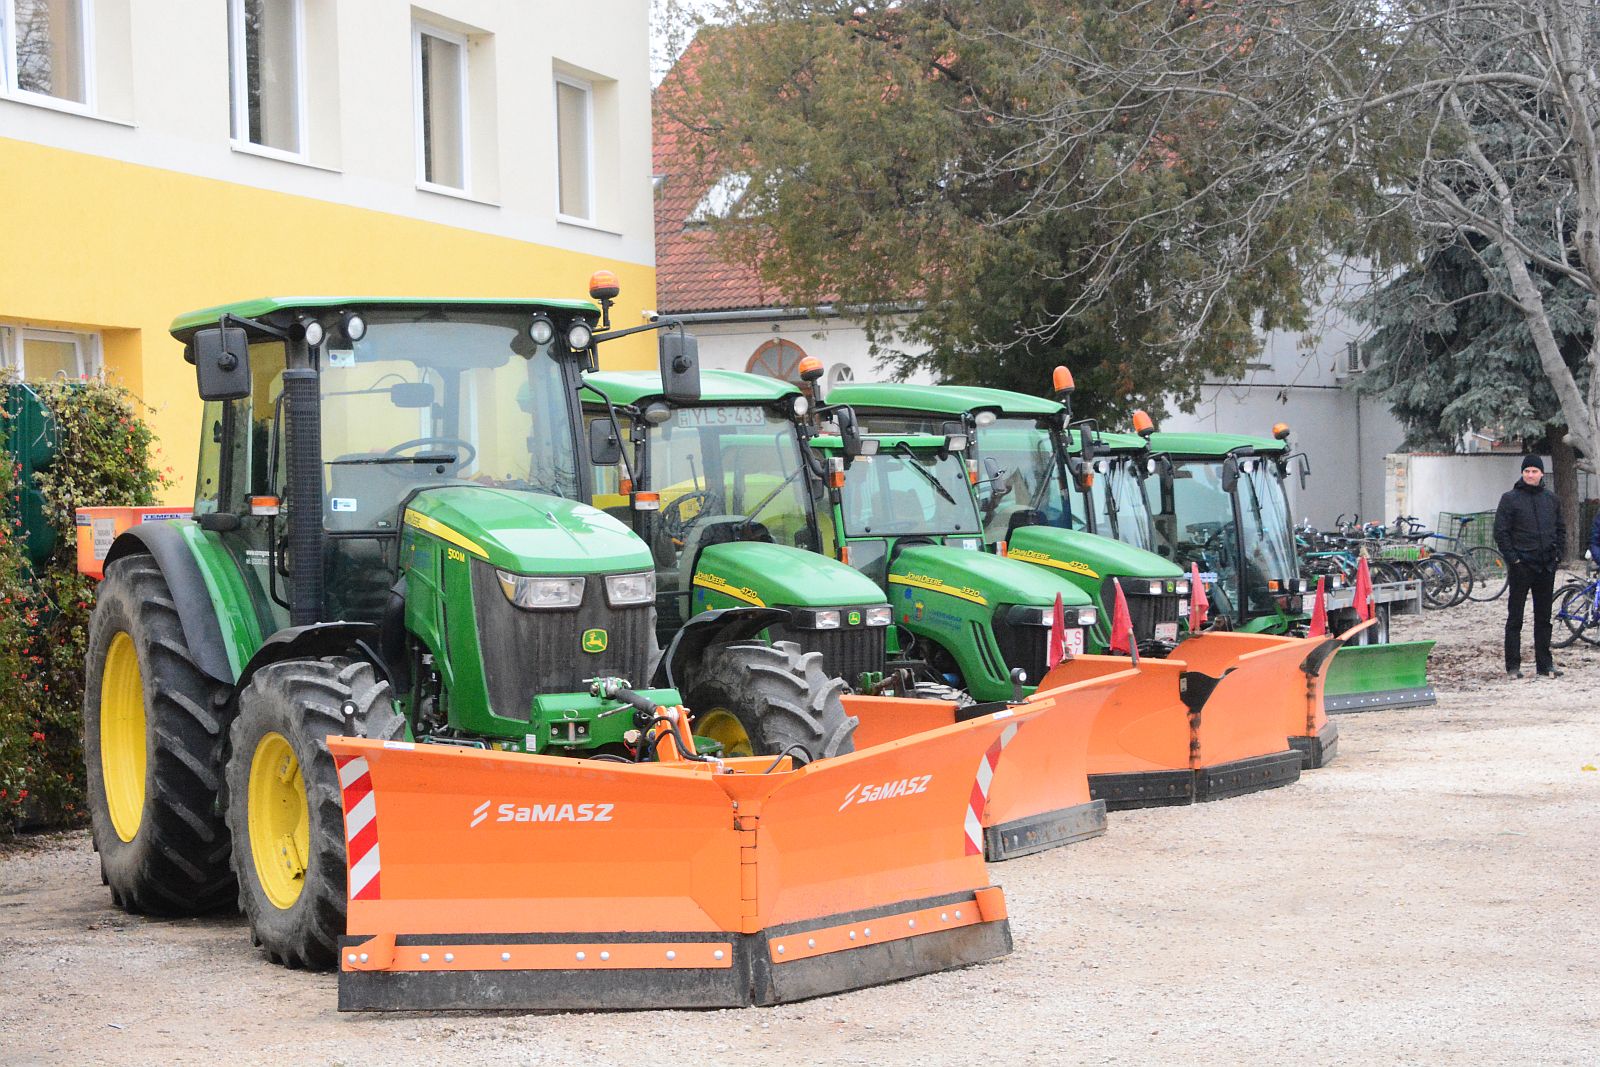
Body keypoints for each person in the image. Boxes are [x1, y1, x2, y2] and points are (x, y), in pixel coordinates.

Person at [1493, 454, 1565, 678]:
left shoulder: (1551, 499)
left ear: (1541, 473)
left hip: (1546, 566)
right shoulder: (1510, 499)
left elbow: (1561, 530)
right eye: (1527, 471)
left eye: (1534, 471)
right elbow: (1501, 532)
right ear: (1522, 473)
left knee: (1543, 619)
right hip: (1521, 567)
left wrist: (1557, 556)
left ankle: (1545, 665)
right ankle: (1513, 667)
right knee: (1515, 618)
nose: (1530, 475)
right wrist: (1514, 559)